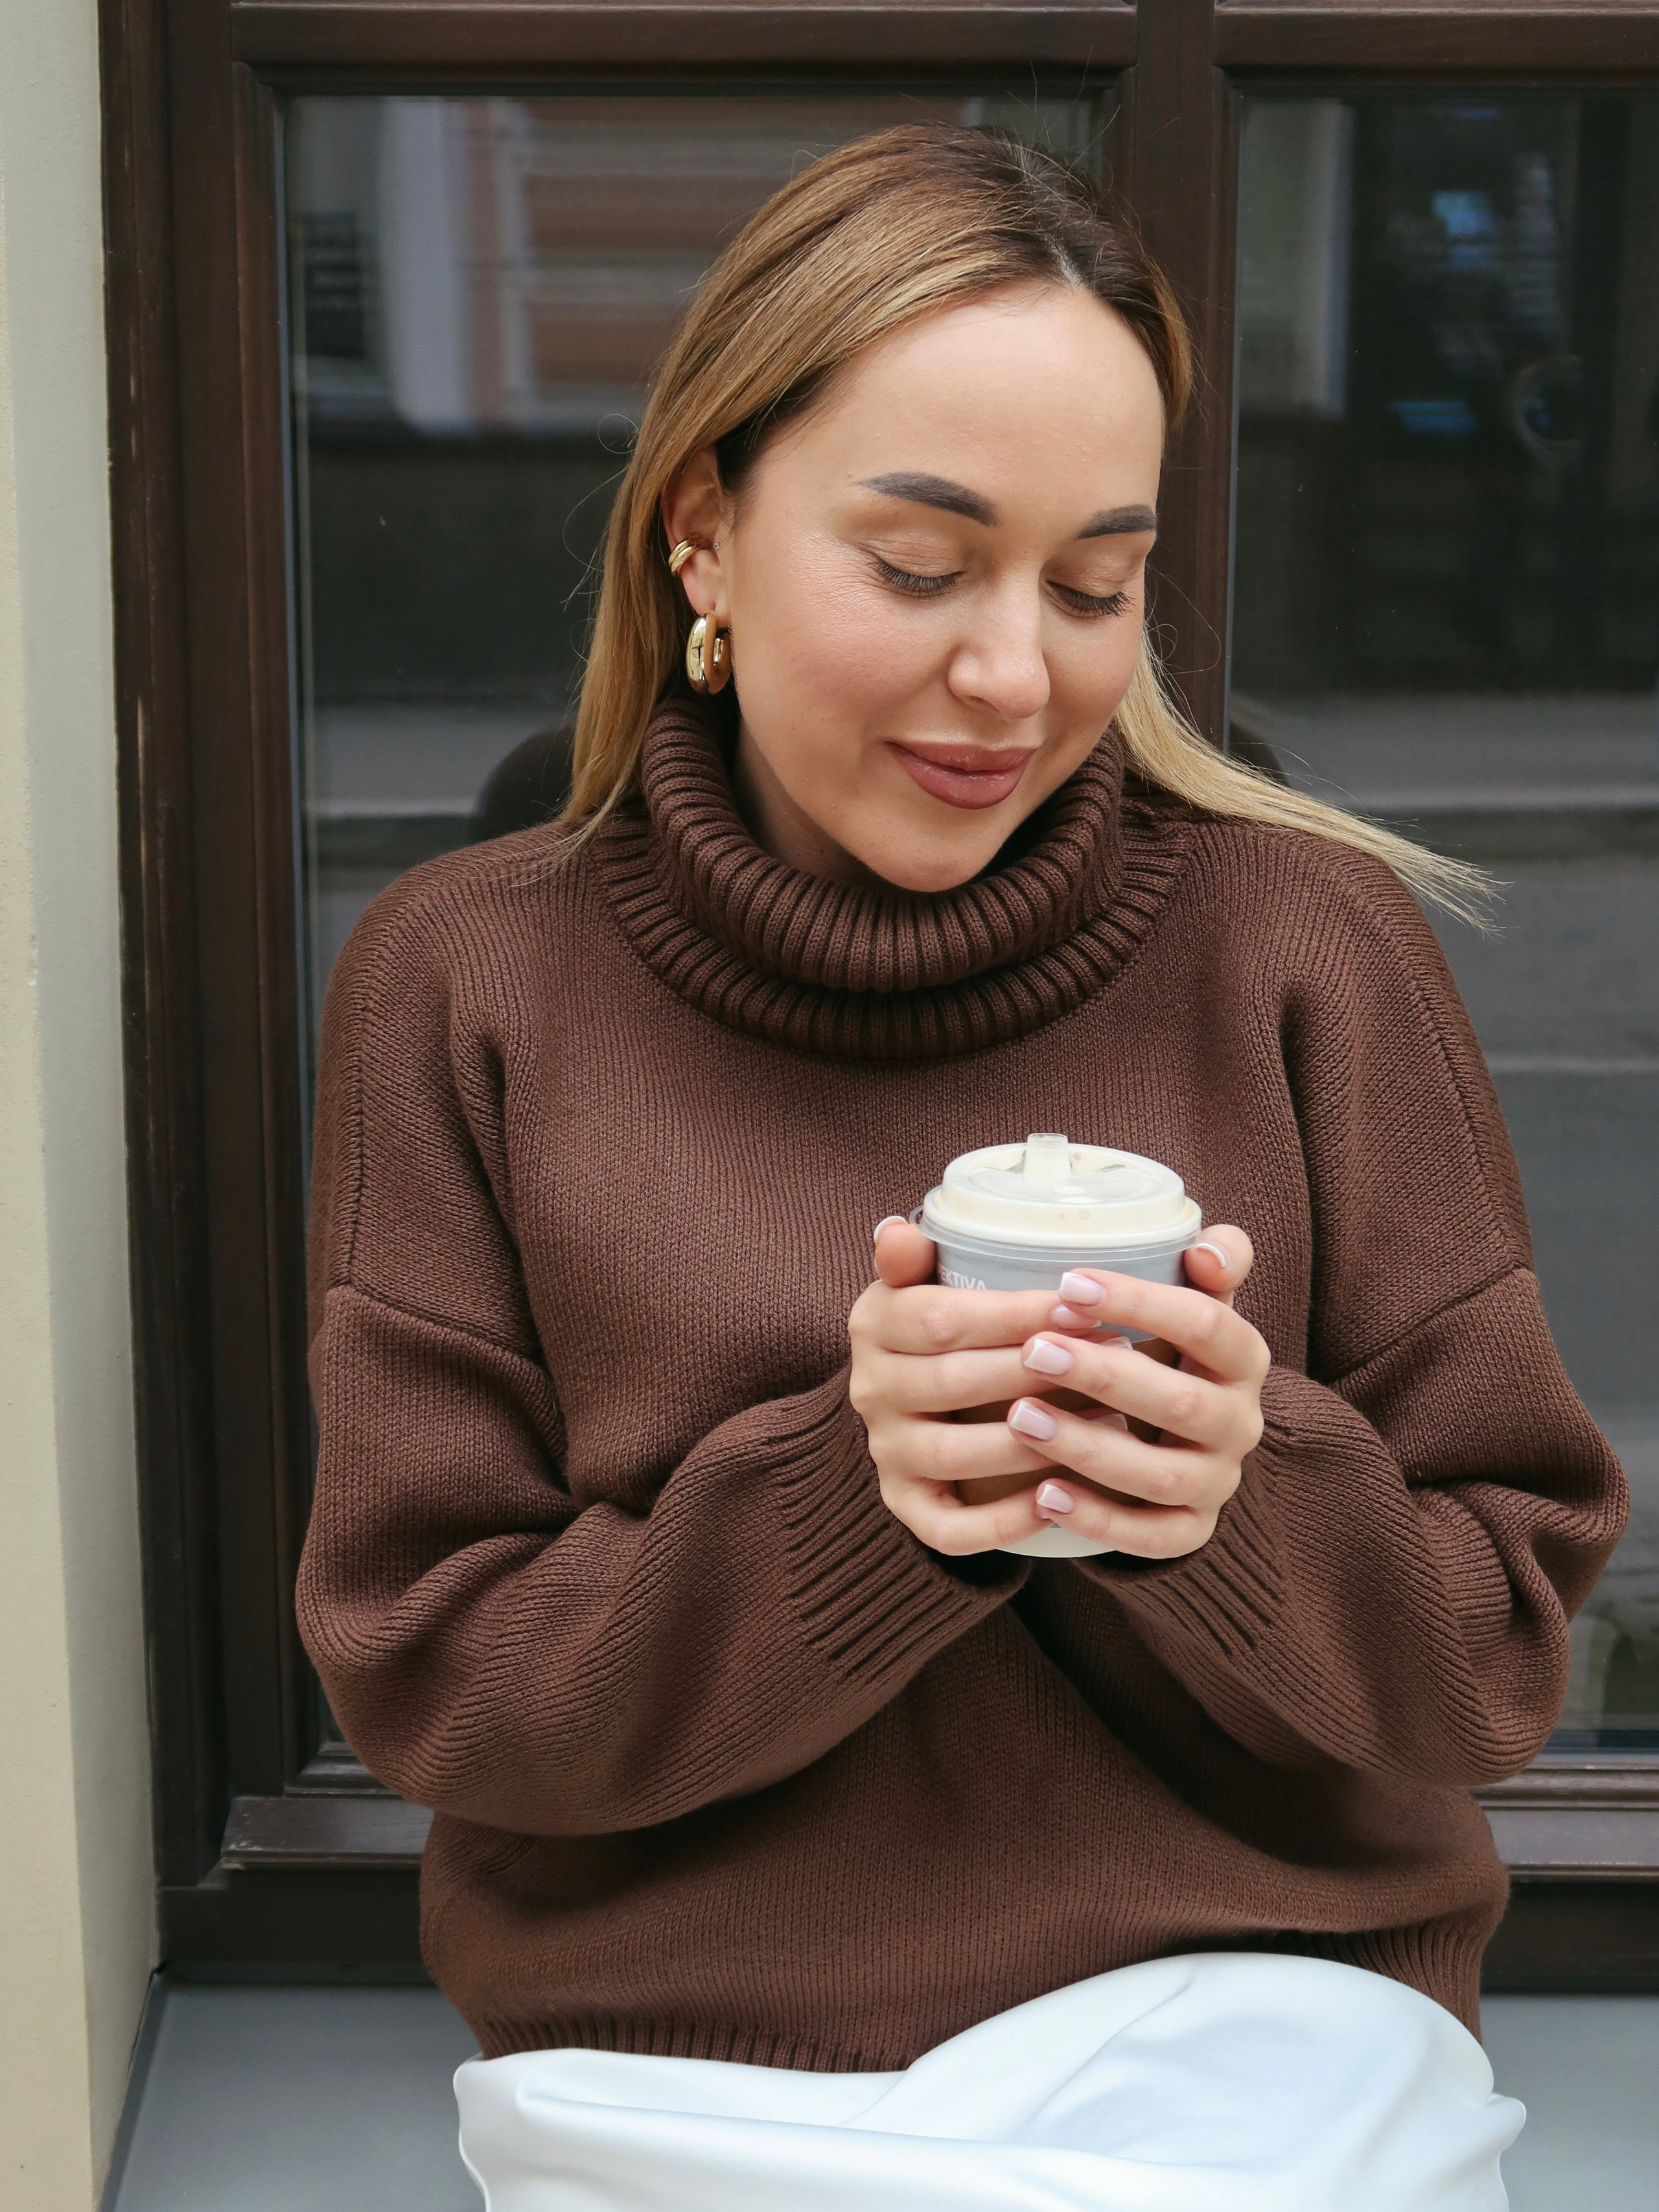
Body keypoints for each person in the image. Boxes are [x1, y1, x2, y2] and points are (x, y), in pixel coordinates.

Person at [297, 127, 1627, 2209]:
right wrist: (869, 1500)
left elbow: (1498, 1661)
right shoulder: (463, 981)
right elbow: (442, 1686)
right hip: (678, 2060)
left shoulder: (1307, 949)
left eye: (1097, 582)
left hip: (1268, 2022)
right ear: (703, 539)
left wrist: (1229, 1493)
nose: (1018, 676)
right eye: (921, 568)